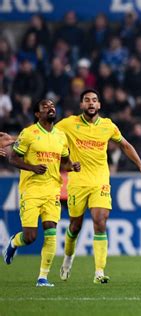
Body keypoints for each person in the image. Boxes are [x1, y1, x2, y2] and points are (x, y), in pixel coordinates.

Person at [56, 89, 141, 284]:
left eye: (94, 100)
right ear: (82, 105)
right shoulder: (68, 124)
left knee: (100, 220)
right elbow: (46, 133)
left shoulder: (108, 126)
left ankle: (99, 271)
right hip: (77, 182)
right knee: (75, 226)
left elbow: (125, 145)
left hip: (100, 181)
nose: (91, 103)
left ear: (99, 105)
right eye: (87, 100)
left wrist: (140, 165)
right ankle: (67, 259)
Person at [2, 99, 80, 287]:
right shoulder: (28, 133)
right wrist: (32, 167)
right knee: (30, 237)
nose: (50, 108)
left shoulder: (60, 136)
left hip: (52, 190)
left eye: (52, 106)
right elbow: (13, 158)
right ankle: (14, 242)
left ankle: (42, 277)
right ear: (37, 114)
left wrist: (72, 166)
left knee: (51, 232)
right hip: (31, 190)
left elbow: (65, 162)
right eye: (45, 107)